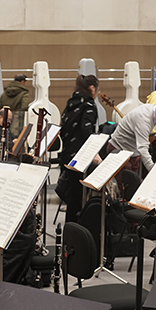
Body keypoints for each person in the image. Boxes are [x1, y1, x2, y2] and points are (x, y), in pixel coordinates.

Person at [55, 75, 100, 223]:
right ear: (92, 88)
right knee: (79, 199)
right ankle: (77, 232)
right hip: (81, 157)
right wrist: (95, 152)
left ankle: (70, 231)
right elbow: (87, 130)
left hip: (68, 155)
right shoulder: (88, 105)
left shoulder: (71, 102)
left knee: (72, 199)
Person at [109, 101, 156, 173]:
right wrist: (153, 171)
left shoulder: (152, 109)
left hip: (131, 151)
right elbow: (142, 148)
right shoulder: (144, 119)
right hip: (119, 150)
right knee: (126, 178)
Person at [0, 73, 32, 138]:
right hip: (17, 123)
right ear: (22, 81)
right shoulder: (24, 94)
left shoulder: (5, 93)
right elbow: (24, 107)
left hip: (4, 120)